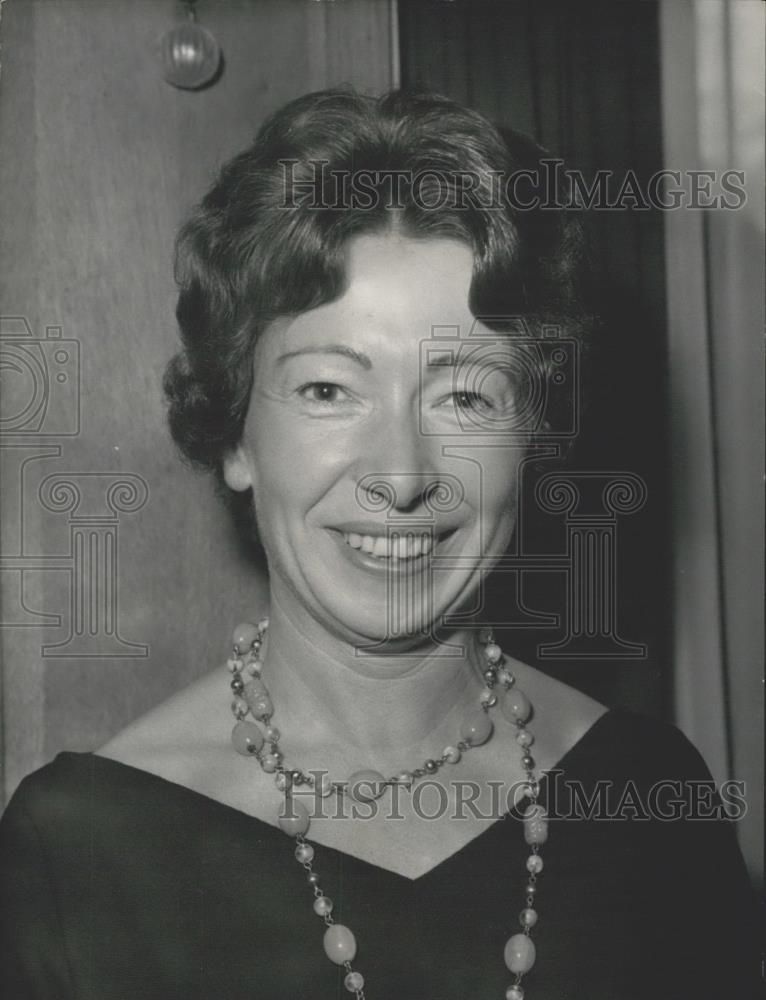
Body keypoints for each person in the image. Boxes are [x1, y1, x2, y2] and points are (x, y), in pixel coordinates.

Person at [0, 88, 759, 1000]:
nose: (401, 477)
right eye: (329, 390)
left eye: (466, 397)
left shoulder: (651, 801)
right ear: (236, 435)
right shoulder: (76, 851)